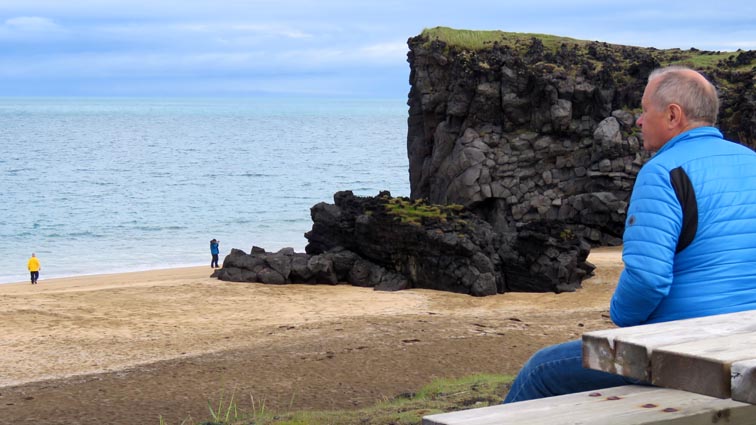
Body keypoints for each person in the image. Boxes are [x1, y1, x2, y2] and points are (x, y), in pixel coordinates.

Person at [504, 66, 756, 403]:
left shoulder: (664, 173)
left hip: (685, 349)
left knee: (540, 371)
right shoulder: (750, 161)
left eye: (644, 109)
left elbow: (648, 279)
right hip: (746, 342)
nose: (638, 121)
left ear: (672, 115)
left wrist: (622, 317)